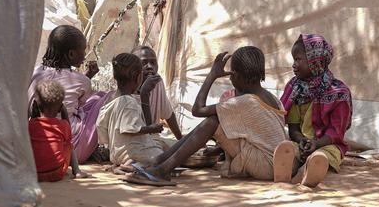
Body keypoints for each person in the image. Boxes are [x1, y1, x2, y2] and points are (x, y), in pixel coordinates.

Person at [122, 46, 287, 186]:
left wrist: (212, 75)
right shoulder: (272, 98)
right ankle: (157, 163)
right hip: (275, 162)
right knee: (218, 119)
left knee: (213, 120)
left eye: (231, 75)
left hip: (267, 165)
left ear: (236, 76)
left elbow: (197, 110)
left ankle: (161, 170)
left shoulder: (246, 102)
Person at [273, 34, 352, 188]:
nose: (294, 65)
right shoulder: (295, 89)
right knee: (290, 149)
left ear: (315, 60)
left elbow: (336, 132)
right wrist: (301, 140)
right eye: (293, 60)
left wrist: (316, 144)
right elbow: (293, 126)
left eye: (298, 59)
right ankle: (288, 172)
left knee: (324, 155)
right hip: (302, 142)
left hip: (327, 144)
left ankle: (310, 170)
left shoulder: (339, 93)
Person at [28, 25, 109, 166]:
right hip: (72, 149)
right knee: (103, 98)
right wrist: (88, 77)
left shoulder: (34, 73)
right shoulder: (82, 81)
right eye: (83, 50)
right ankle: (101, 147)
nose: (85, 55)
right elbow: (81, 103)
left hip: (34, 144)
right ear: (71, 54)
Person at [95, 53, 170, 174]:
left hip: (116, 154)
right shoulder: (129, 102)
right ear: (137, 76)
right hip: (133, 152)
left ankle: (124, 165)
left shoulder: (110, 102)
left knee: (158, 148)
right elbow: (129, 128)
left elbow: (100, 126)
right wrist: (150, 128)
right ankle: (134, 166)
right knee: (164, 157)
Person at [28, 80, 79, 182]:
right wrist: (64, 113)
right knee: (68, 143)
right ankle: (77, 171)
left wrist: (33, 113)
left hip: (32, 173)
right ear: (60, 108)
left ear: (35, 105)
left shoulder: (29, 125)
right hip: (56, 173)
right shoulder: (63, 126)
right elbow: (68, 136)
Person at [131, 46, 183, 139]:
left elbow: (168, 114)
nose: (150, 67)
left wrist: (180, 138)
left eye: (153, 62)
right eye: (144, 63)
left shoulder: (157, 82)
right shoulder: (126, 91)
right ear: (133, 68)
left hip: (152, 140)